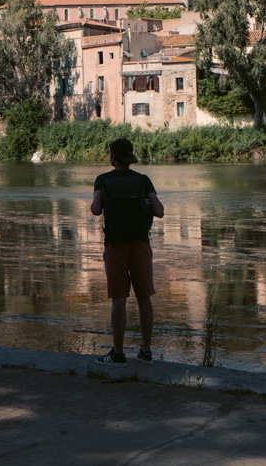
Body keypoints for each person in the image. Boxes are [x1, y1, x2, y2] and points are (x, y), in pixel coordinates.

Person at [91, 137, 164, 365]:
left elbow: (95, 209)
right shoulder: (143, 180)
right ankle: (146, 351)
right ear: (130, 156)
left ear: (113, 156)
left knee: (119, 299)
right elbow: (159, 211)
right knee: (144, 298)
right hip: (140, 244)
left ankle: (119, 353)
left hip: (115, 244)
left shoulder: (103, 179)